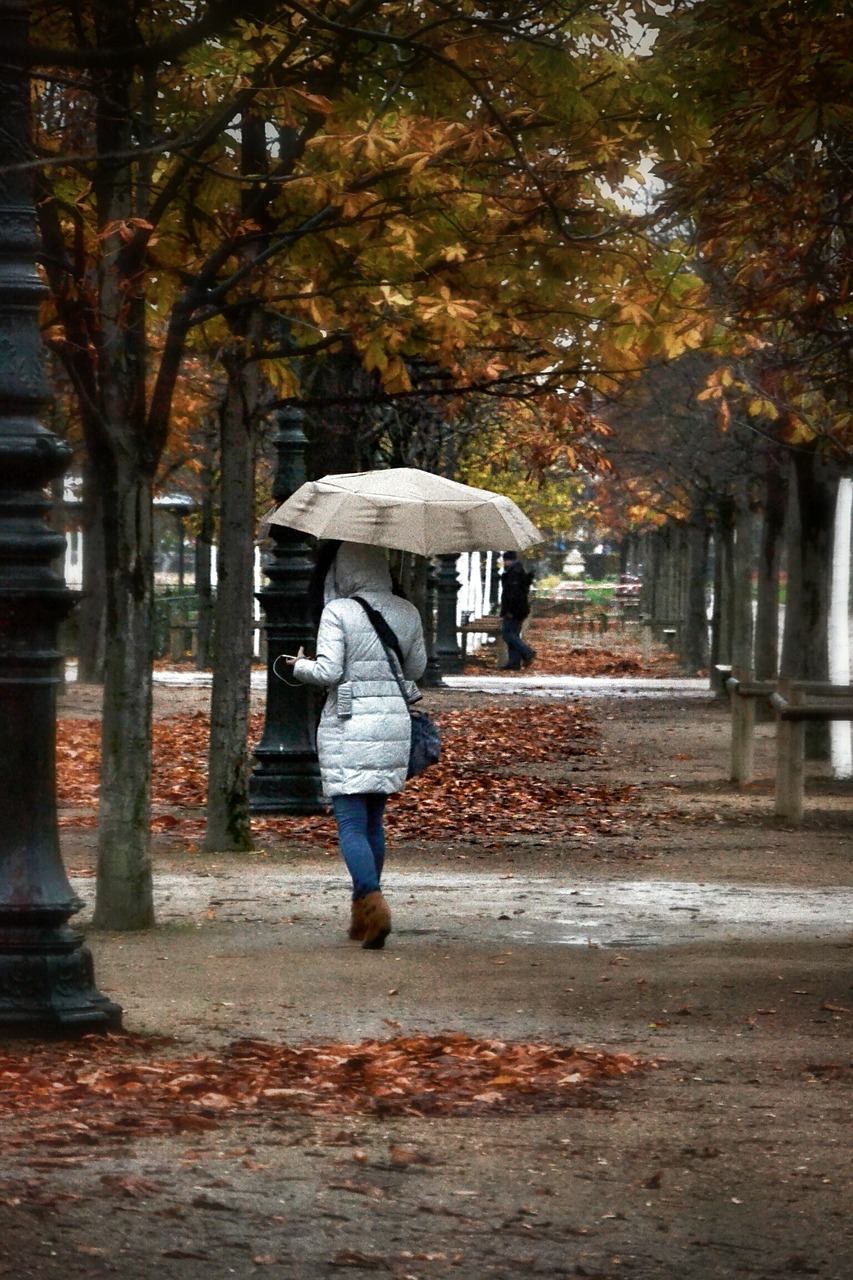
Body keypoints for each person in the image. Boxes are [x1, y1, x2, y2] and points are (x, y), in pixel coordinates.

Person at [286, 540, 427, 949]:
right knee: (372, 823)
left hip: (349, 725)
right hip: (391, 726)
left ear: (344, 570)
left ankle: (373, 903)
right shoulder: (407, 610)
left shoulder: (339, 611)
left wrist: (297, 667)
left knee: (349, 822)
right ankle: (362, 914)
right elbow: (416, 667)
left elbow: (329, 671)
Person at [499, 550, 536, 670]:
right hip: (520, 609)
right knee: (513, 633)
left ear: (509, 560)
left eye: (505, 560)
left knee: (507, 634)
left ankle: (527, 652)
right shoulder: (518, 571)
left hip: (514, 610)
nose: (504, 563)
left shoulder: (513, 573)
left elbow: (512, 594)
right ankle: (514, 663)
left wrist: (508, 610)